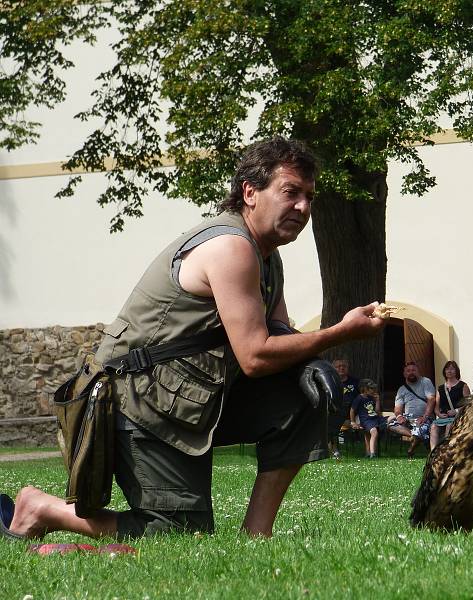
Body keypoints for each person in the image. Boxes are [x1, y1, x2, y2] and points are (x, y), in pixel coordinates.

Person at [1, 138, 386, 542]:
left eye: (309, 197)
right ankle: (40, 507)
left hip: (192, 397)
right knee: (178, 533)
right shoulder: (231, 248)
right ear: (250, 193)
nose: (303, 208)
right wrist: (340, 332)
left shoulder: (267, 255)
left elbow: (277, 331)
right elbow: (255, 357)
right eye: (290, 192)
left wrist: (311, 364)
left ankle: (257, 536)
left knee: (309, 393)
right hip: (138, 402)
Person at [388, 361, 437, 456]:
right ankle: (413, 436)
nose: (411, 372)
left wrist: (425, 416)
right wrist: (399, 416)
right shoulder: (401, 389)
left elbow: (431, 399)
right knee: (391, 424)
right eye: (408, 371)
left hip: (424, 418)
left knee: (421, 428)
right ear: (404, 374)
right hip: (408, 419)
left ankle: (411, 450)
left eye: (414, 370)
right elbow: (398, 408)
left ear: (418, 372)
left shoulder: (425, 382)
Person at [328, 358, 360, 459]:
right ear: (333, 368)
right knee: (328, 424)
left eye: (344, 366)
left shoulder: (356, 382)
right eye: (338, 366)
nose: (341, 368)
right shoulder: (330, 382)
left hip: (354, 417)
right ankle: (334, 450)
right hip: (336, 415)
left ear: (347, 368)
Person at [433, 360, 470, 442]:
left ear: (456, 371)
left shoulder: (463, 386)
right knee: (433, 427)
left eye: (452, 369)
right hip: (444, 417)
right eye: (447, 369)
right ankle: (433, 452)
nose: (449, 371)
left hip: (459, 417)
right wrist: (439, 414)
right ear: (444, 371)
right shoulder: (440, 388)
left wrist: (456, 411)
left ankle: (446, 449)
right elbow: (436, 407)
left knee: (449, 425)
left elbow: (469, 404)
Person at [349, 379, 386, 458]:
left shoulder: (372, 397)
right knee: (374, 432)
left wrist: (377, 401)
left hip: (376, 418)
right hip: (367, 420)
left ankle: (369, 453)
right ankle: (372, 454)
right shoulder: (359, 398)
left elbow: (377, 411)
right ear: (364, 389)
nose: (374, 390)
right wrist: (352, 422)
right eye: (371, 388)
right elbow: (352, 410)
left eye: (374, 388)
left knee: (391, 419)